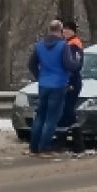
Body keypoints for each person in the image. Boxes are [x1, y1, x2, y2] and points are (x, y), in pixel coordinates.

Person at [28, 19, 69, 154]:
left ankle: (34, 146)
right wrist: (77, 62)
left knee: (40, 115)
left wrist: (39, 76)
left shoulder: (39, 46)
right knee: (51, 118)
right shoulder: (63, 45)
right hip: (58, 84)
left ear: (49, 30)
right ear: (60, 30)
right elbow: (69, 64)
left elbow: (31, 64)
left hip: (43, 84)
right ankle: (44, 146)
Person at [58, 19, 84, 130]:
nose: (65, 31)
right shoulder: (67, 43)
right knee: (65, 110)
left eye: (68, 29)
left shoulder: (73, 44)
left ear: (73, 31)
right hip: (69, 80)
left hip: (72, 81)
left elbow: (74, 65)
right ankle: (63, 138)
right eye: (64, 29)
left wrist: (70, 81)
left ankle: (77, 140)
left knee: (68, 109)